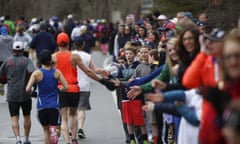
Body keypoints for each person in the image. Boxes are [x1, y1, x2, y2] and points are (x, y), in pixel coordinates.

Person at [52, 32, 114, 144]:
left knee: (64, 118)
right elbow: (88, 71)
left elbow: (49, 75)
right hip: (74, 89)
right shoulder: (74, 57)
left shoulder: (53, 58)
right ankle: (74, 139)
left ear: (57, 43)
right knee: (73, 114)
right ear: (68, 43)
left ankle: (67, 142)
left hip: (61, 89)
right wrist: (102, 81)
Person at [26, 49, 68, 144]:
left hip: (42, 107)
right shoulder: (57, 72)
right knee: (56, 129)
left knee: (45, 131)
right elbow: (66, 86)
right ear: (50, 60)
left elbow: (27, 89)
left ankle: (52, 132)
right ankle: (55, 132)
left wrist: (32, 93)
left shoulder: (36, 73)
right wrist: (58, 89)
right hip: (54, 106)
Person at [0, 41, 35, 144]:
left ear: (13, 50)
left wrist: (5, 80)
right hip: (25, 94)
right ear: (23, 50)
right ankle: (27, 139)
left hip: (12, 95)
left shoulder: (7, 61)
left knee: (14, 117)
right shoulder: (27, 61)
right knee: (27, 116)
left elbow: (0, 75)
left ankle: (18, 139)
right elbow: (32, 72)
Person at [71, 36, 106, 139]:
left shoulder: (70, 56)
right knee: (82, 108)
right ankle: (80, 129)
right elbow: (94, 70)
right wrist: (103, 71)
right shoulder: (87, 56)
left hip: (71, 85)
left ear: (73, 45)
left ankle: (71, 129)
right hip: (84, 85)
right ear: (83, 45)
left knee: (72, 110)